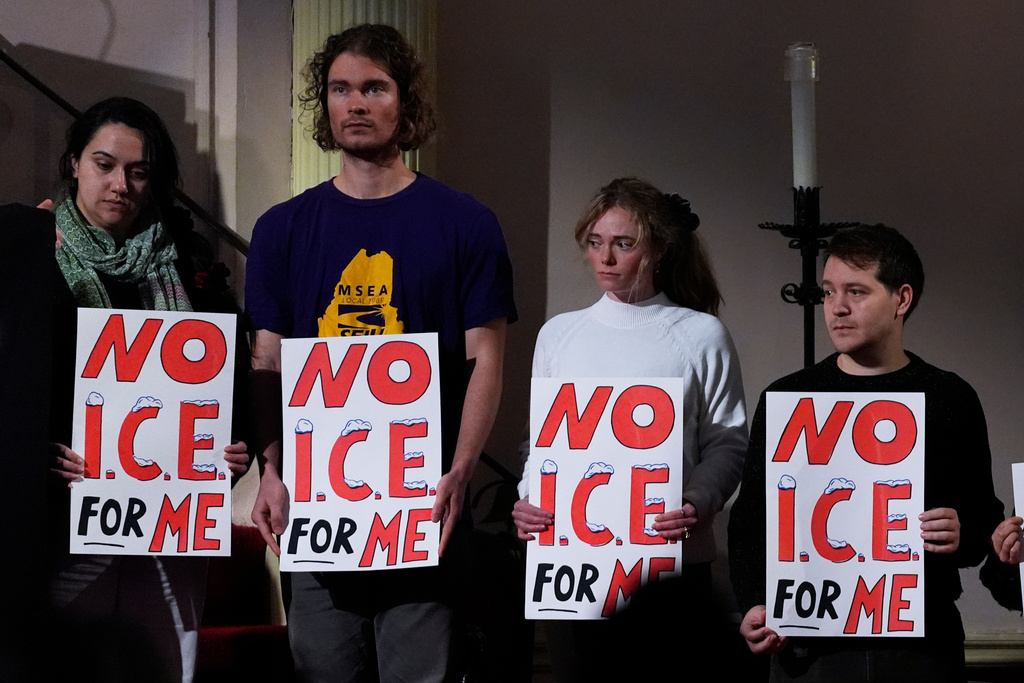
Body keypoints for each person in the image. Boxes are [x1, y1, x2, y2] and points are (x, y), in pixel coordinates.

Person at [244, 24, 517, 682]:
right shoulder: (281, 228)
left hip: (423, 510)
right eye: (340, 88)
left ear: (407, 103)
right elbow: (268, 362)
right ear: (325, 103)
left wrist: (462, 469)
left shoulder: (465, 222)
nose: (355, 102)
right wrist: (271, 470)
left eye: (374, 87)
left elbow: (487, 358)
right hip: (320, 507)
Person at [728, 224, 1005, 682]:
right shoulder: (788, 396)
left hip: (920, 645)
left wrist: (962, 532)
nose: (836, 307)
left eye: (856, 291)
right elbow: (752, 519)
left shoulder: (950, 396)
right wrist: (753, 600)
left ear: (902, 299)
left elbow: (983, 522)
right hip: (810, 645)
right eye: (828, 291)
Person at [46, 97, 250, 683]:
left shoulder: (189, 263)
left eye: (139, 171)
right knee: (65, 662)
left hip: (173, 518)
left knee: (166, 663)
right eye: (105, 164)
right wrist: (42, 452)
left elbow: (223, 374)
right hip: (67, 512)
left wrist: (228, 446)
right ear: (73, 164)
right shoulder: (34, 252)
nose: (121, 184)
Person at [511, 177, 748, 681]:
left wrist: (697, 501)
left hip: (668, 563)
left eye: (624, 244)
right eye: (596, 243)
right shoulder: (560, 334)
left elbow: (727, 440)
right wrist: (528, 498)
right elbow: (543, 443)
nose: (606, 258)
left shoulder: (699, 334)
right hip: (573, 563)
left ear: (658, 249)